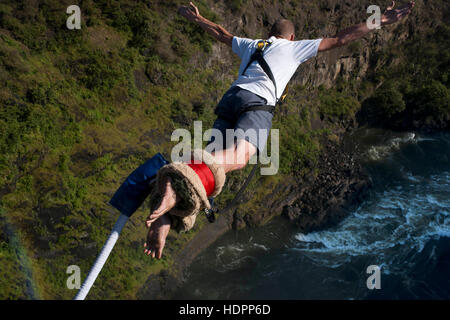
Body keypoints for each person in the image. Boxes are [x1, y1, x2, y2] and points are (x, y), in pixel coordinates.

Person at [143, 1, 415, 259]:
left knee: (212, 166)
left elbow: (221, 33)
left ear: (269, 34)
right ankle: (176, 178)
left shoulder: (254, 44)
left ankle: (168, 215)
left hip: (232, 97)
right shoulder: (294, 48)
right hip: (257, 103)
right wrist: (379, 20)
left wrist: (197, 18)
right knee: (238, 158)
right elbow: (341, 38)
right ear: (293, 37)